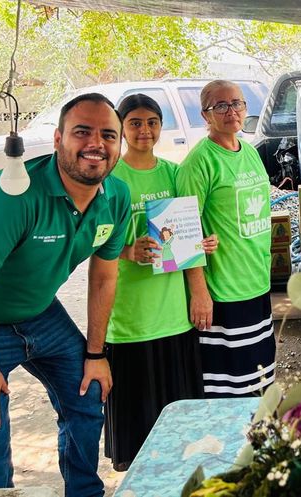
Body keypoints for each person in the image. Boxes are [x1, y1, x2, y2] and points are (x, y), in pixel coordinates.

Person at [0, 93, 129, 495]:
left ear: (120, 144)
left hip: (37, 313)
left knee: (88, 394)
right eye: (82, 132)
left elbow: (104, 277)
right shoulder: (8, 196)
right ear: (58, 140)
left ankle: (85, 492)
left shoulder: (116, 197)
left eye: (108, 134)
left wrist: (96, 354)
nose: (96, 143)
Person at [104, 93, 217, 471]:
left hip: (174, 315)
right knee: (139, 433)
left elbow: (184, 236)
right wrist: (127, 251)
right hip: (131, 318)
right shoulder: (110, 179)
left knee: (182, 430)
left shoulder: (174, 173)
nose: (145, 130)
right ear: (121, 128)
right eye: (135, 123)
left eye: (152, 122)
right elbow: (92, 240)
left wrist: (201, 246)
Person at [176, 80, 275, 397]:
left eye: (237, 103)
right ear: (205, 115)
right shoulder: (199, 162)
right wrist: (199, 293)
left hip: (256, 282)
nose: (231, 111)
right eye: (220, 105)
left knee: (260, 381)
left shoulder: (250, 152)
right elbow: (182, 231)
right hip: (223, 292)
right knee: (229, 389)